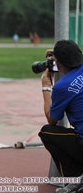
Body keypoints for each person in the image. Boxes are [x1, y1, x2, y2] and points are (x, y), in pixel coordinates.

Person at [38, 40, 83, 193]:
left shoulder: (62, 86)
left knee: (47, 132)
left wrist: (45, 86)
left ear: (59, 63)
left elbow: (51, 119)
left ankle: (75, 180)